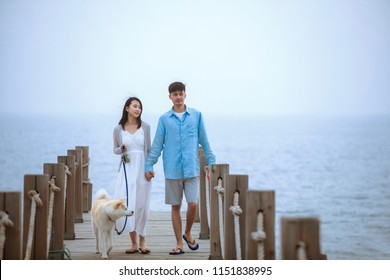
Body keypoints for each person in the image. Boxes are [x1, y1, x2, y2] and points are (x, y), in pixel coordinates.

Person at [145, 81, 216, 255]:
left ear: (185, 94)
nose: (178, 97)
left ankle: (188, 232)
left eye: (180, 93)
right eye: (174, 94)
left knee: (193, 204)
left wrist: (212, 163)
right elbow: (157, 145)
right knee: (175, 207)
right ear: (169, 96)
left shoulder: (196, 116)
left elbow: (204, 141)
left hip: (192, 168)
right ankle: (179, 243)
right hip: (172, 170)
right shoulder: (164, 119)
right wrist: (149, 164)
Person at [113, 97, 152, 254]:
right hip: (127, 169)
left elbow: (149, 150)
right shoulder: (118, 129)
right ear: (127, 108)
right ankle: (133, 243)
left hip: (142, 168)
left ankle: (143, 240)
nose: (138, 109)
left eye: (140, 107)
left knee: (142, 204)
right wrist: (121, 148)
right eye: (135, 106)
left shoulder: (146, 127)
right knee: (129, 204)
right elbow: (115, 149)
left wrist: (149, 169)